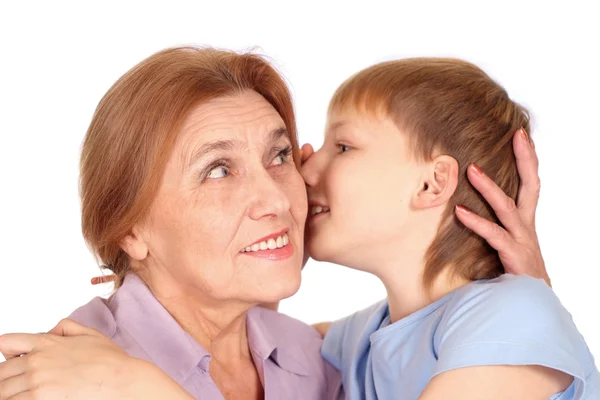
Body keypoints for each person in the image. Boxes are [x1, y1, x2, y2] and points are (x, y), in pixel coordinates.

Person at [0, 47, 549, 399]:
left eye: (279, 156)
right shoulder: (61, 375)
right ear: (129, 230)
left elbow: (449, 329)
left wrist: (526, 294)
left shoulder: (314, 361)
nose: (283, 196)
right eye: (218, 170)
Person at [303, 58, 599, 399]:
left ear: (432, 183)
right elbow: (247, 357)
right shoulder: (361, 340)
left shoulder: (514, 312)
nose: (306, 169)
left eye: (342, 147)